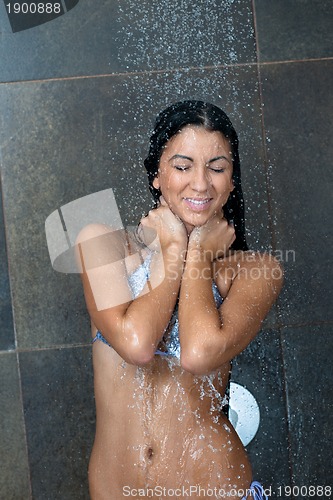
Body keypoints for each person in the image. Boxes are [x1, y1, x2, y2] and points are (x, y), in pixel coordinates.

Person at [76, 101, 283, 499]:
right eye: (183, 166)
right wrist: (172, 248)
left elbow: (199, 354)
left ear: (232, 181)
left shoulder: (256, 270)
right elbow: (136, 344)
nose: (201, 184)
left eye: (217, 168)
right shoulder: (104, 244)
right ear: (156, 175)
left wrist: (199, 254)